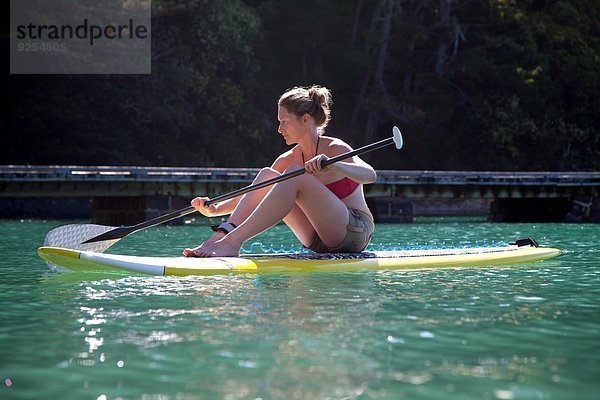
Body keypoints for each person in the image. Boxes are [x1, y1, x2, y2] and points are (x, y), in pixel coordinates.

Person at [182, 85, 376, 258]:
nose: (279, 129)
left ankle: (232, 243)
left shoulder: (334, 148)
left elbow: (370, 175)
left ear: (305, 119)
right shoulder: (287, 158)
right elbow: (257, 193)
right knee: (268, 176)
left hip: (354, 232)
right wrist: (215, 209)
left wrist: (335, 165)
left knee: (294, 174)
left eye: (284, 121)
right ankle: (219, 238)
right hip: (317, 241)